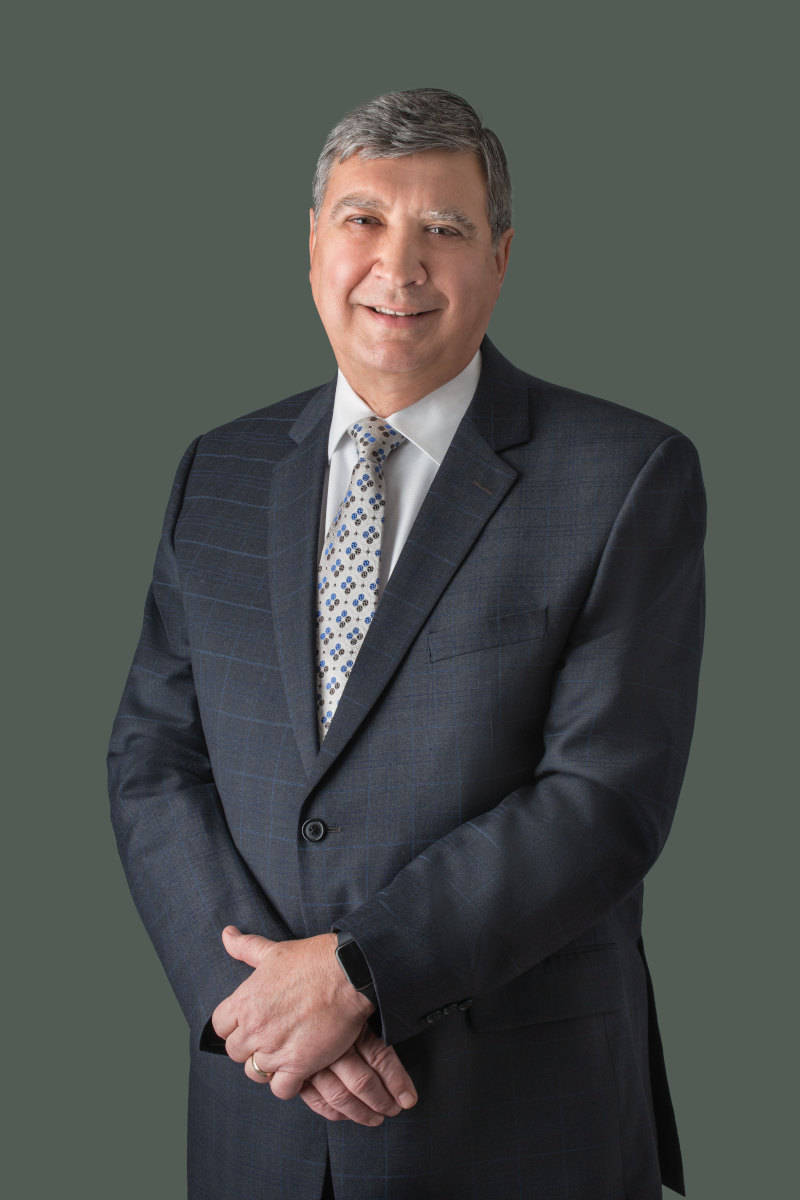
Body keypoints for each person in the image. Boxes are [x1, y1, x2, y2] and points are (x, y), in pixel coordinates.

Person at [108, 88, 705, 1200]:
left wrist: (357, 976)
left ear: (500, 256)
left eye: (443, 227)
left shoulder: (623, 475)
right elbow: (154, 759)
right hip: (260, 1121)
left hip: (518, 1123)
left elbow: (603, 797)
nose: (399, 262)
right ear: (311, 245)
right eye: (363, 219)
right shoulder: (218, 473)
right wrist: (253, 1007)